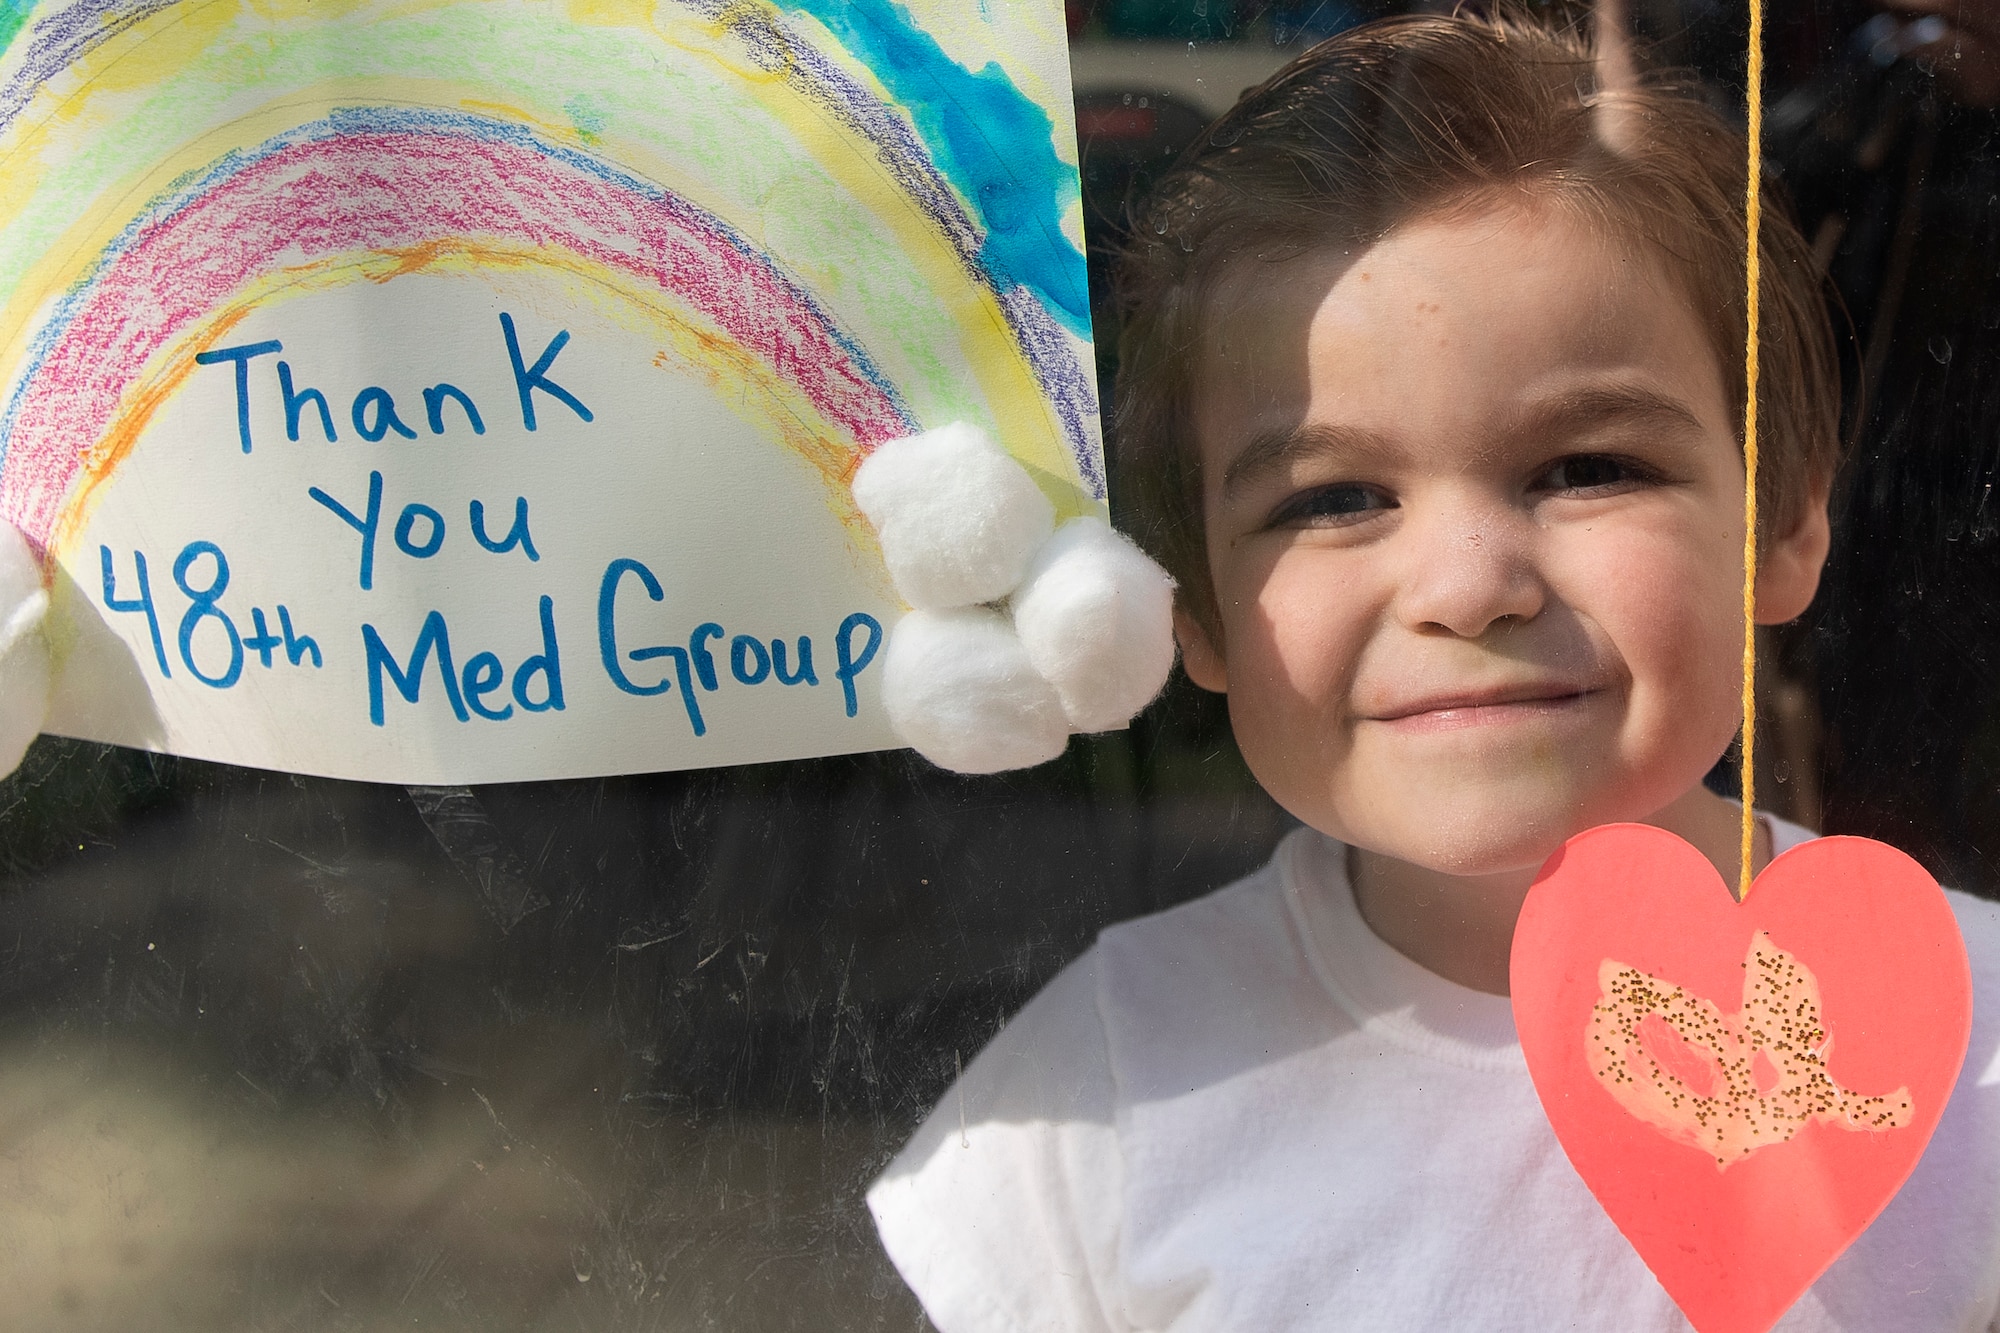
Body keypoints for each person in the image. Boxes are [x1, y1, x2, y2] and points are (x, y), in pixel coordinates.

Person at [866, 12, 2000, 1330]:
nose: (1466, 583)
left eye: (1587, 468)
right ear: (1195, 606)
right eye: (1334, 495)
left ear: (1785, 521)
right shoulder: (1091, 1106)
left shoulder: (1975, 1047)